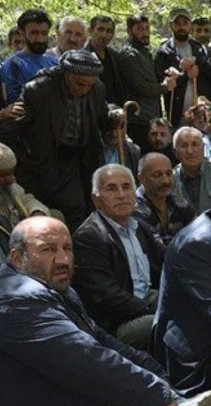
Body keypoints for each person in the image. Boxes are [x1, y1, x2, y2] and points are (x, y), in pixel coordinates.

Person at [0, 216, 211, 406]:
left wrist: (155, 374)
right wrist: (157, 392)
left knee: (135, 392)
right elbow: (88, 360)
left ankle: (165, 405)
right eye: (48, 249)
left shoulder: (49, 288)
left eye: (68, 248)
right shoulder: (17, 301)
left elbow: (101, 341)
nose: (63, 258)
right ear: (16, 257)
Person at [3, 50, 117, 231]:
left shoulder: (97, 88)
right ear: (68, 75)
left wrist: (114, 117)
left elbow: (102, 116)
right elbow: (13, 126)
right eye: (80, 84)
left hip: (75, 162)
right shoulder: (39, 89)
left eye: (89, 85)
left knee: (76, 211)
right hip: (41, 162)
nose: (85, 90)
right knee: (43, 213)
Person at [72, 165, 165, 351]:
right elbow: (107, 297)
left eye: (126, 187)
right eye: (111, 189)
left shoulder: (141, 227)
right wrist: (156, 308)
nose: (121, 195)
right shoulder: (89, 237)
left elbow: (167, 266)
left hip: (146, 300)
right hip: (117, 322)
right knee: (169, 322)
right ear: (96, 199)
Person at [119, 14, 179, 153]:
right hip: (137, 119)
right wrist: (164, 87)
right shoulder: (129, 54)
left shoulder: (143, 52)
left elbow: (151, 79)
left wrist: (167, 74)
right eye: (140, 29)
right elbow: (140, 87)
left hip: (150, 117)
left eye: (147, 28)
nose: (145, 32)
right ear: (129, 31)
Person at [155, 8, 211, 128]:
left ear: (190, 26)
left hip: (201, 111)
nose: (181, 27)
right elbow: (160, 81)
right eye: (177, 23)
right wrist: (185, 76)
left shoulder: (200, 48)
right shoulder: (164, 51)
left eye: (185, 23)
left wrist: (197, 61)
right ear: (171, 26)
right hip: (177, 112)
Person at [0, 142, 51, 256]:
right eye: (4, 175)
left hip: (19, 238)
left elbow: (26, 199)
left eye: (12, 173)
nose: (11, 179)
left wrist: (37, 212)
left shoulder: (8, 186)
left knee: (55, 217)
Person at [135, 152, 196, 245]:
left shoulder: (180, 203)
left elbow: (198, 237)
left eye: (168, 174)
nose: (165, 181)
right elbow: (156, 249)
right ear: (141, 178)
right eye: (157, 175)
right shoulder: (135, 208)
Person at [171, 126, 211, 213]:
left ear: (203, 148)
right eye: (184, 146)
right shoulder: (171, 179)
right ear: (175, 153)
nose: (190, 151)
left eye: (195, 144)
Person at [1, 10, 57, 103]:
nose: (40, 39)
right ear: (22, 33)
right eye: (34, 33)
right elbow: (15, 104)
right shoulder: (13, 64)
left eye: (44, 33)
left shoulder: (55, 62)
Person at [84, 16, 124, 106]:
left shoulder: (115, 56)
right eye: (100, 29)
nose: (104, 35)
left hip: (117, 109)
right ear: (90, 31)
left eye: (109, 31)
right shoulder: (82, 56)